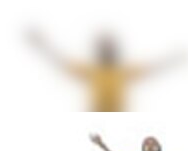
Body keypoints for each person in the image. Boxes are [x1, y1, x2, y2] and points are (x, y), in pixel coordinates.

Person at [27, 31, 179, 113]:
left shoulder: (124, 72)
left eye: (109, 47)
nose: (107, 50)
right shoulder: (91, 71)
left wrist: (174, 58)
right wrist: (41, 44)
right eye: (104, 47)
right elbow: (62, 62)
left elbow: (152, 68)